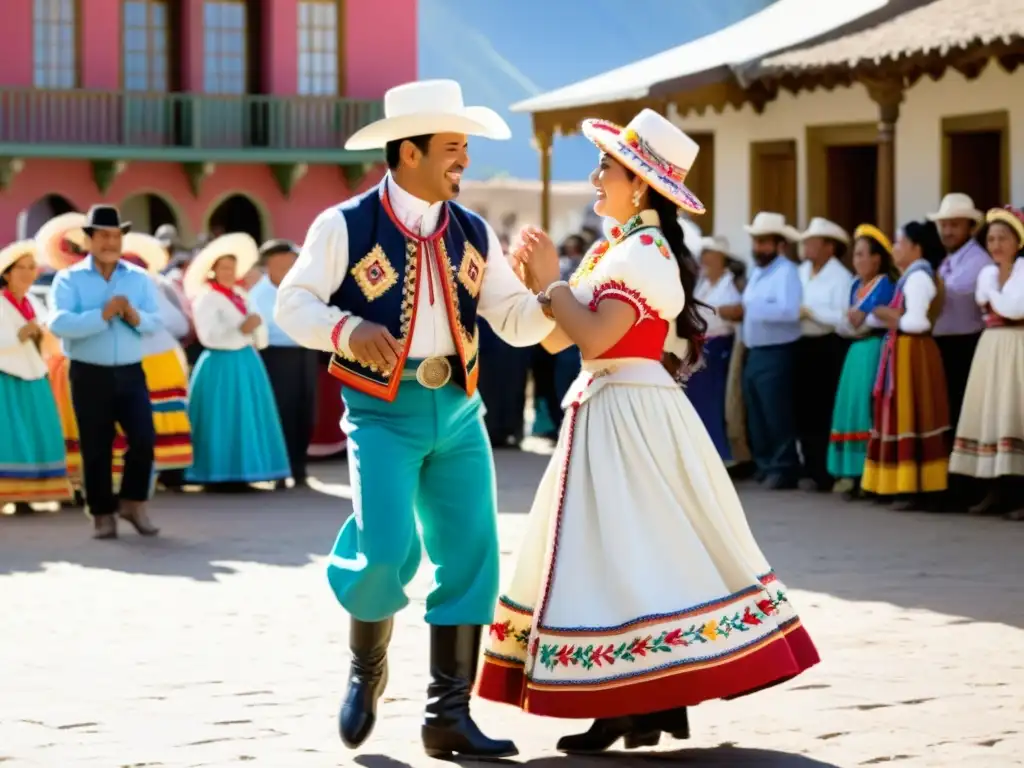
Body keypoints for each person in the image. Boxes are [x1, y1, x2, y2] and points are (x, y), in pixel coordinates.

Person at [475, 109, 819, 754]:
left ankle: (642, 697)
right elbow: (560, 337)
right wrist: (538, 287)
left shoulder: (645, 251)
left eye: (606, 167)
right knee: (615, 549)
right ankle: (641, 698)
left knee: (630, 547)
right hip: (610, 407)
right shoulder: (619, 249)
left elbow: (599, 334)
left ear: (639, 184)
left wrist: (553, 281)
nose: (596, 177)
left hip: (631, 413)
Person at [275, 80, 555, 760]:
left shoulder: (474, 230)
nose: (464, 159)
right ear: (407, 153)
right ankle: (366, 668)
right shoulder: (343, 225)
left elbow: (515, 322)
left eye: (465, 148)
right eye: (453, 148)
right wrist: (344, 328)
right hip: (381, 414)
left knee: (472, 555)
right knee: (383, 553)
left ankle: (446, 716)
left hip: (460, 412)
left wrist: (551, 289)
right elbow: (291, 306)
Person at [48, 205, 162, 540]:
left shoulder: (138, 279)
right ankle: (101, 513)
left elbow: (157, 322)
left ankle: (132, 501)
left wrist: (134, 316)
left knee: (144, 438)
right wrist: (102, 315)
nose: (110, 242)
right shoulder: (68, 279)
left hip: (130, 371)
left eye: (115, 236)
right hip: (88, 373)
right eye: (103, 236)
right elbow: (58, 323)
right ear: (89, 239)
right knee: (95, 445)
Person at [183, 233, 290, 490]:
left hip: (246, 361)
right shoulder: (207, 298)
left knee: (246, 417)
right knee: (222, 418)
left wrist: (254, 329)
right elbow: (208, 336)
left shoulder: (240, 295)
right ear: (213, 271)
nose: (228, 272)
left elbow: (258, 330)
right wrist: (242, 329)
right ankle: (219, 474)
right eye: (223, 268)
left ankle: (246, 471)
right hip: (220, 364)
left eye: (231, 268)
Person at [861, 220, 950, 510]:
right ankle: (897, 484)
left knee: (912, 414)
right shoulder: (908, 276)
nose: (895, 248)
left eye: (899, 242)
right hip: (902, 350)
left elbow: (916, 321)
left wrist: (884, 312)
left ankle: (914, 487)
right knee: (901, 414)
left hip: (913, 351)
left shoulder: (919, 277)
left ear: (915, 247)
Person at [948, 206, 1024, 519]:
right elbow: (995, 302)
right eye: (991, 239)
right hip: (991, 346)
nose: (995, 245)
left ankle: (1019, 495)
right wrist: (994, 290)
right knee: (991, 416)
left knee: (1014, 415)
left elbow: (1015, 308)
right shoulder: (988, 273)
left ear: (1017, 242)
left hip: (1017, 345)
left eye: (1002, 238)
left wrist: (993, 292)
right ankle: (993, 490)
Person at [717, 212, 803, 489]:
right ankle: (766, 463)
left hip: (777, 350)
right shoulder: (758, 274)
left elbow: (790, 311)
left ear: (780, 245)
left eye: (764, 242)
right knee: (757, 411)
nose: (758, 248)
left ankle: (784, 466)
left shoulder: (787, 272)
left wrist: (749, 309)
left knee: (776, 412)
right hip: (755, 350)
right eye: (756, 242)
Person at [116, 232, 194, 490]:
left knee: (156, 416)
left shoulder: (153, 287)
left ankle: (166, 473)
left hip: (155, 360)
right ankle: (163, 474)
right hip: (149, 359)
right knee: (151, 417)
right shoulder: (151, 286)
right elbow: (178, 324)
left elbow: (179, 323)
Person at [0, 240, 72, 512]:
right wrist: (21, 334)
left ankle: (30, 493)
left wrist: (40, 333)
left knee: (36, 431)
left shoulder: (31, 302)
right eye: (23, 268)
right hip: (6, 375)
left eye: (33, 268)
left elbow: (49, 336)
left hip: (33, 371)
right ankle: (9, 493)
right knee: (11, 435)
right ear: (7, 273)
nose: (30, 273)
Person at [826, 225, 897, 500]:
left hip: (872, 349)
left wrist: (852, 318)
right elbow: (848, 321)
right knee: (849, 407)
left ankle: (868, 473)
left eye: (862, 254)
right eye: (855, 255)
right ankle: (848, 472)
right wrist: (851, 319)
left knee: (866, 409)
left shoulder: (883, 284)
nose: (857, 260)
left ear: (877, 259)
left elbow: (857, 319)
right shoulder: (856, 284)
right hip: (854, 351)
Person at [249, 239, 319, 488]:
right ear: (270, 264)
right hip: (277, 357)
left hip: (305, 354)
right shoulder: (258, 294)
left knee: (306, 413)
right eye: (285, 262)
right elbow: (265, 331)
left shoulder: (303, 289)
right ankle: (280, 470)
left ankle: (300, 468)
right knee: (282, 413)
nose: (291, 267)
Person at [795, 218, 854, 492]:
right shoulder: (802, 270)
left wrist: (812, 312)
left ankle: (825, 471)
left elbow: (842, 317)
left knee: (824, 408)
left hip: (827, 345)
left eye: (813, 241)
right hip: (803, 343)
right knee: (804, 408)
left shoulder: (841, 277)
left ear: (830, 247)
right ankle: (809, 466)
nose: (807, 246)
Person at [36, 212, 90, 502]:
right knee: (70, 422)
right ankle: (73, 481)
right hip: (67, 362)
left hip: (92, 359)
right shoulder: (62, 283)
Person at [672, 235, 741, 460]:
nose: (705, 259)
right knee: (697, 400)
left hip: (718, 346)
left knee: (713, 401)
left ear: (721, 258)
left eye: (709, 254)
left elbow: (731, 313)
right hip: (700, 346)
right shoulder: (704, 283)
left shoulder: (730, 284)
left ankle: (720, 454)